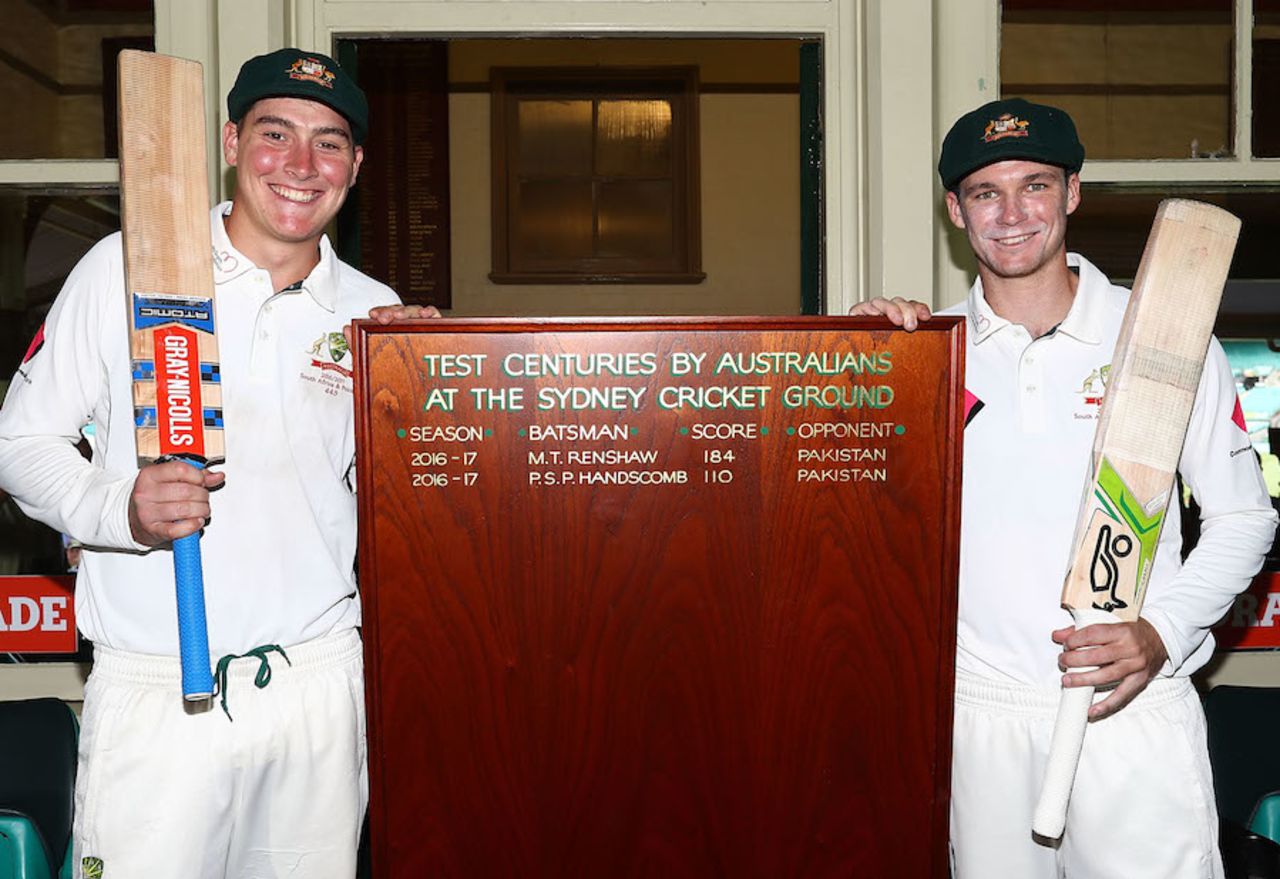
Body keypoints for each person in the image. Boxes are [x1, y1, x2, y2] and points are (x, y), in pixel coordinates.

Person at [0, 48, 435, 878]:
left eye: (330, 142)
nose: (302, 165)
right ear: (233, 142)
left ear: (357, 166)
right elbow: (19, 444)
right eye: (277, 133)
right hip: (164, 689)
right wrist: (117, 507)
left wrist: (427, 379)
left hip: (315, 683)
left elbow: (398, 505)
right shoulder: (129, 269)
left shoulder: (374, 312)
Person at [853, 97, 1278, 877]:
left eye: (1036, 185)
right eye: (986, 192)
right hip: (984, 720)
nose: (1013, 213)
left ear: (1073, 193)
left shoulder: (1164, 336)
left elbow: (1244, 517)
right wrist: (857, 357)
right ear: (956, 210)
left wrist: (1163, 631)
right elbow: (855, 526)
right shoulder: (921, 356)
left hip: (1130, 710)